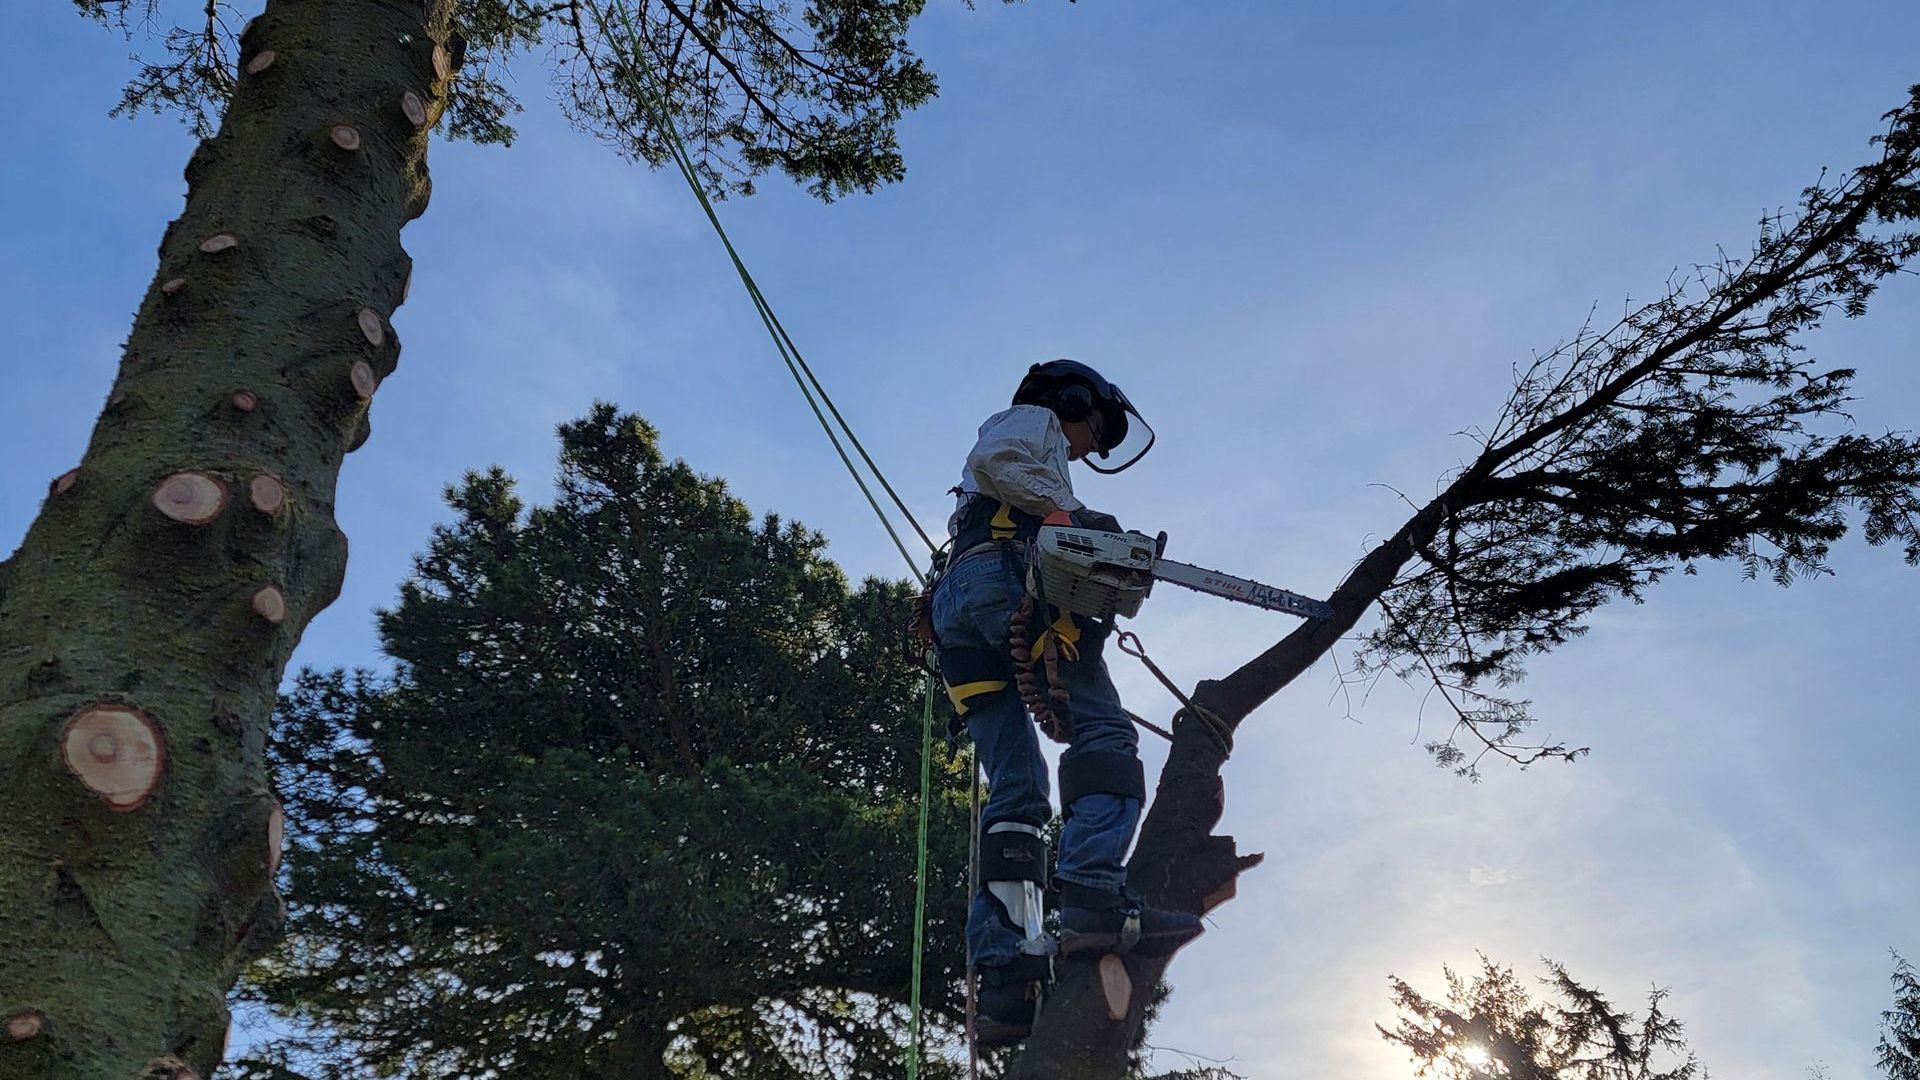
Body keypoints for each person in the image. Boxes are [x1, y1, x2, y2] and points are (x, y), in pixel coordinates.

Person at [930, 359, 1203, 1046]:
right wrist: (1069, 517)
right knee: (1104, 732)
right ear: (1073, 402)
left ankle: (1002, 975)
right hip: (1003, 576)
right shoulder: (1033, 423)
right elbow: (1002, 458)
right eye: (1093, 432)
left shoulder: (1004, 472)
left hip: (956, 618)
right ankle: (1091, 894)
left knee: (1017, 788)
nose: (1087, 447)